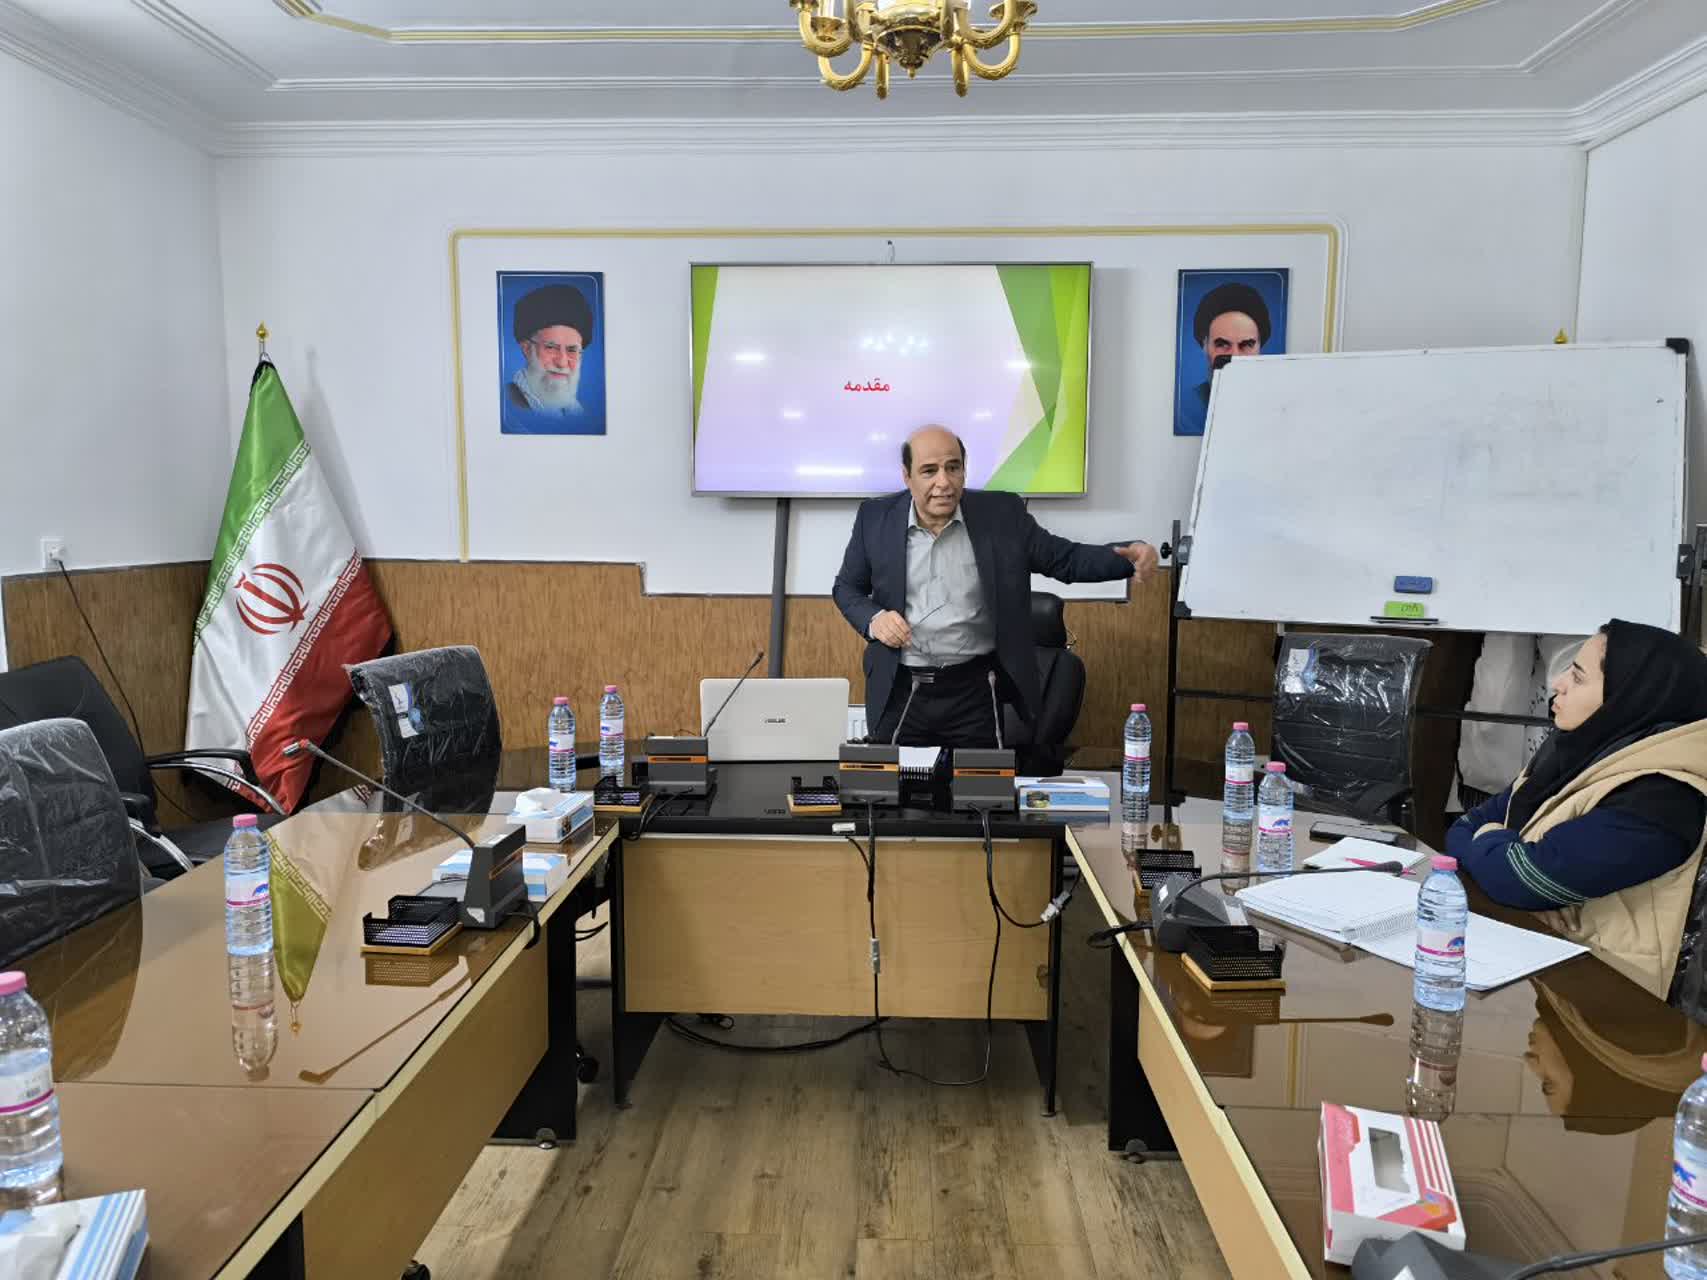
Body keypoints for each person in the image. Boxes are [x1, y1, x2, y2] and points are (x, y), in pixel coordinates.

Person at [832, 425, 1159, 749]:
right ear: (907, 476)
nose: (943, 482)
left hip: (974, 693)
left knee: (979, 783)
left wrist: (1126, 558)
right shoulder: (875, 518)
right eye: (929, 471)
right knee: (891, 783)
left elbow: (1065, 560)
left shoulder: (1002, 515)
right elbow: (847, 587)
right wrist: (875, 619)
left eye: (953, 468)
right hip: (900, 689)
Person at [1449, 620, 1707, 999]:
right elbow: (1464, 827)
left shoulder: (1662, 797)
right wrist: (1500, 845)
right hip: (1552, 975)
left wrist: (1496, 847)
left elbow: (1521, 881)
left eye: (1579, 677)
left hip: (1616, 1006)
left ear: (1630, 697)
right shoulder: (1579, 753)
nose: (1559, 684)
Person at [1177, 282, 1273, 436]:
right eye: (1222, 344)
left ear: (1260, 347)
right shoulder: (1189, 407)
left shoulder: (1274, 405)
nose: (1235, 356)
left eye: (1247, 345)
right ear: (1204, 346)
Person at [505, 283, 594, 424]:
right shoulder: (507, 404)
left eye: (572, 350)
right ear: (527, 349)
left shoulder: (576, 410)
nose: (562, 362)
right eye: (551, 347)